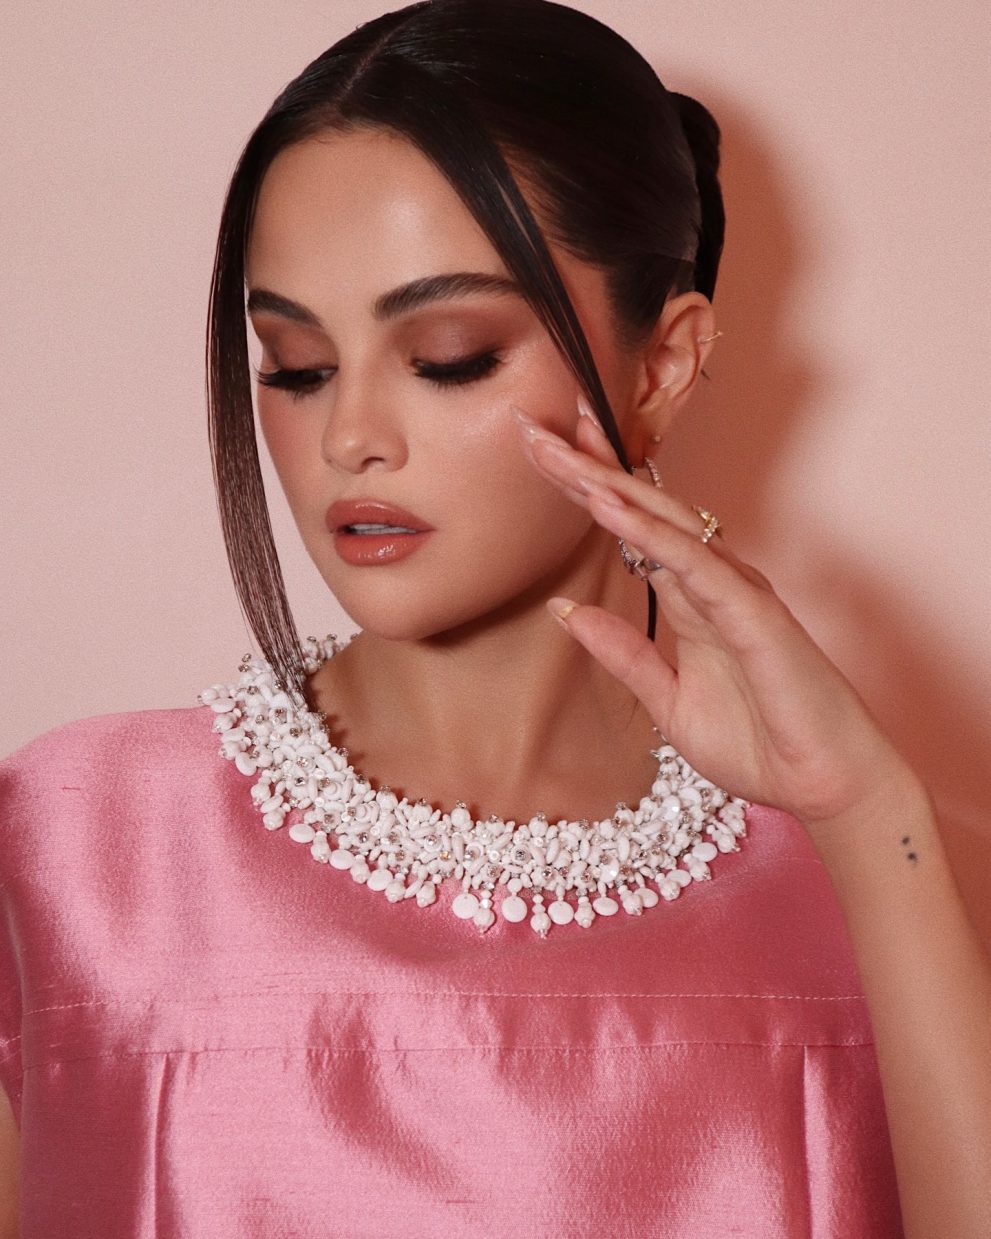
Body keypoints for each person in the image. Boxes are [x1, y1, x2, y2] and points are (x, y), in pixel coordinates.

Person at [1, 0, 988, 1235]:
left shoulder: (907, 873)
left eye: (450, 354)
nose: (350, 436)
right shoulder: (73, 855)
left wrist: (865, 821)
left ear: (661, 366)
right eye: (297, 365)